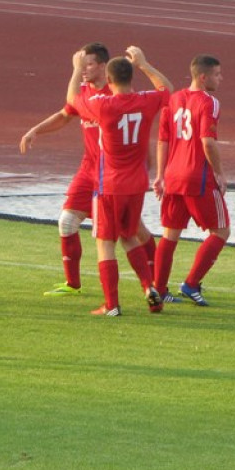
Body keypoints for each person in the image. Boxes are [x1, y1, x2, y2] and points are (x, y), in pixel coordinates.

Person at [19, 42, 157, 297]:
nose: (83, 69)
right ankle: (73, 284)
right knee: (68, 221)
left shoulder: (116, 93)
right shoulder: (83, 91)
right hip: (89, 169)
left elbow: (141, 133)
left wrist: (149, 168)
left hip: (115, 174)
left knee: (133, 230)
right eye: (82, 64)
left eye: (89, 64)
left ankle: (155, 282)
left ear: (104, 67)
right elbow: (65, 113)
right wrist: (35, 130)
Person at [66, 46, 171, 316]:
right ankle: (150, 289)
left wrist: (77, 68)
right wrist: (145, 64)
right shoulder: (145, 100)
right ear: (130, 77)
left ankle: (111, 305)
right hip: (137, 184)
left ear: (109, 80)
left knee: (105, 243)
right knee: (129, 237)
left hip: (109, 184)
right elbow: (167, 89)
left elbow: (73, 98)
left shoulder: (104, 105)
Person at [152, 54, 229, 307]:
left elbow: (162, 140)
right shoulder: (209, 102)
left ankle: (159, 289)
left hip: (173, 176)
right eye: (217, 74)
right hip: (198, 177)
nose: (221, 79)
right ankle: (191, 283)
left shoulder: (173, 100)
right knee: (220, 230)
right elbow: (208, 141)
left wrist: (160, 175)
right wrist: (219, 172)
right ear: (203, 76)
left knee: (169, 234)